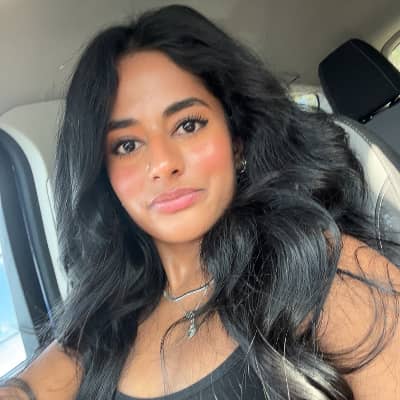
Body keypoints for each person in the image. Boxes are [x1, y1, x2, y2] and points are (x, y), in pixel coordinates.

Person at [1, 4, 400, 400]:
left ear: (236, 140)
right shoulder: (106, 320)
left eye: (188, 125)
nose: (162, 164)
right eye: (127, 145)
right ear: (106, 179)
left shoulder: (321, 267)